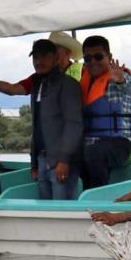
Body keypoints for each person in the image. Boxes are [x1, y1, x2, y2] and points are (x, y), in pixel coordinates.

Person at [80, 35, 131, 189]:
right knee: (70, 154)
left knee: (95, 153)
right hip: (89, 142)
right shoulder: (85, 80)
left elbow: (125, 87)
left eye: (98, 57)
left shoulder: (120, 77)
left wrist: (120, 80)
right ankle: (81, 197)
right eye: (88, 58)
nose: (93, 62)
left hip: (119, 143)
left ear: (109, 57)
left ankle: (97, 195)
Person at [27, 39, 83, 199]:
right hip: (42, 160)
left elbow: (74, 124)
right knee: (46, 212)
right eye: (35, 57)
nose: (39, 61)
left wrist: (64, 160)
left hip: (61, 162)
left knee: (63, 212)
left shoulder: (68, 85)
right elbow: (37, 125)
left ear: (56, 58)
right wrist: (34, 163)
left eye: (44, 56)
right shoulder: (38, 85)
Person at [0, 31, 83, 96]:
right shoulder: (38, 78)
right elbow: (12, 89)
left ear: (68, 52)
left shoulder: (84, 71)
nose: (52, 52)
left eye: (55, 49)